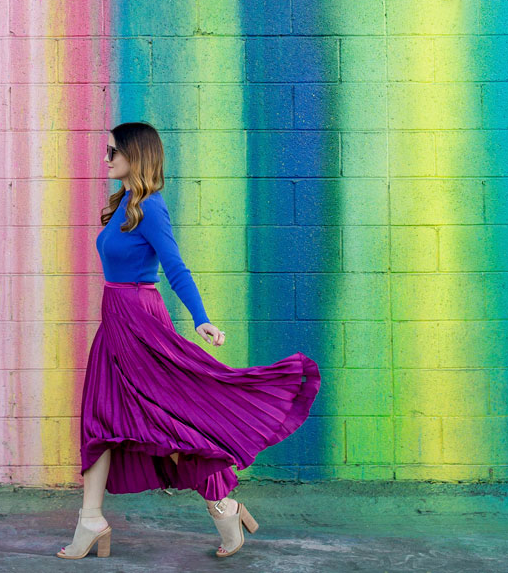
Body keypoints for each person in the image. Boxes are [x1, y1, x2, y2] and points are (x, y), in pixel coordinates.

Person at [57, 121, 320, 560]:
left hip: (140, 323)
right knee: (98, 419)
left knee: (169, 421)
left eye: (112, 152)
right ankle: (90, 519)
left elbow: (174, 267)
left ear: (135, 155)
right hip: (115, 325)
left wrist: (201, 319)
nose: (105, 159)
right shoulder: (122, 202)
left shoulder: (151, 207)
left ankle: (223, 506)